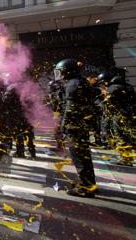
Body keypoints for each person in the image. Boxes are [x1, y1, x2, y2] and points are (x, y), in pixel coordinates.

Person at [54, 58, 98, 197]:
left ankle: (85, 188)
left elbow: (70, 109)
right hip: (81, 126)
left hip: (74, 127)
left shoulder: (73, 84)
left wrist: (63, 126)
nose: (60, 74)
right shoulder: (82, 82)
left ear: (68, 71)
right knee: (84, 156)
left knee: (79, 157)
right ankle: (90, 184)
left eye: (62, 71)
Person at [97, 70, 135, 166]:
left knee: (121, 136)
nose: (102, 86)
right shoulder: (126, 86)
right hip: (130, 114)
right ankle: (128, 157)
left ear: (105, 81)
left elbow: (105, 105)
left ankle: (126, 159)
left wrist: (101, 97)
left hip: (120, 115)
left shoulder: (112, 88)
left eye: (102, 84)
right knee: (129, 136)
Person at [0, 83, 36, 158]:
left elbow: (5, 102)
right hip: (25, 115)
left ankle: (18, 152)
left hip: (14, 115)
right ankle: (32, 152)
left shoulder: (10, 89)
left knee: (15, 133)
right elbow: (32, 105)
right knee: (27, 133)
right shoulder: (26, 90)